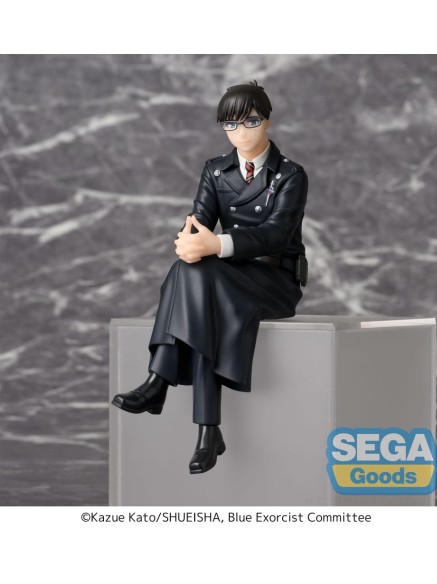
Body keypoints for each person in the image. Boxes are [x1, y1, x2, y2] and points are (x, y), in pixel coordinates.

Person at [111, 80, 309, 474]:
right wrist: (188, 241)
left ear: (268, 120)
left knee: (195, 279)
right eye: (230, 124)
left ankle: (159, 381)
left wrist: (215, 245)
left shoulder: (290, 174)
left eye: (250, 121)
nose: (240, 132)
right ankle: (207, 431)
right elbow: (198, 218)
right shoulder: (216, 169)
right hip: (223, 276)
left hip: (273, 280)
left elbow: (276, 234)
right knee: (193, 278)